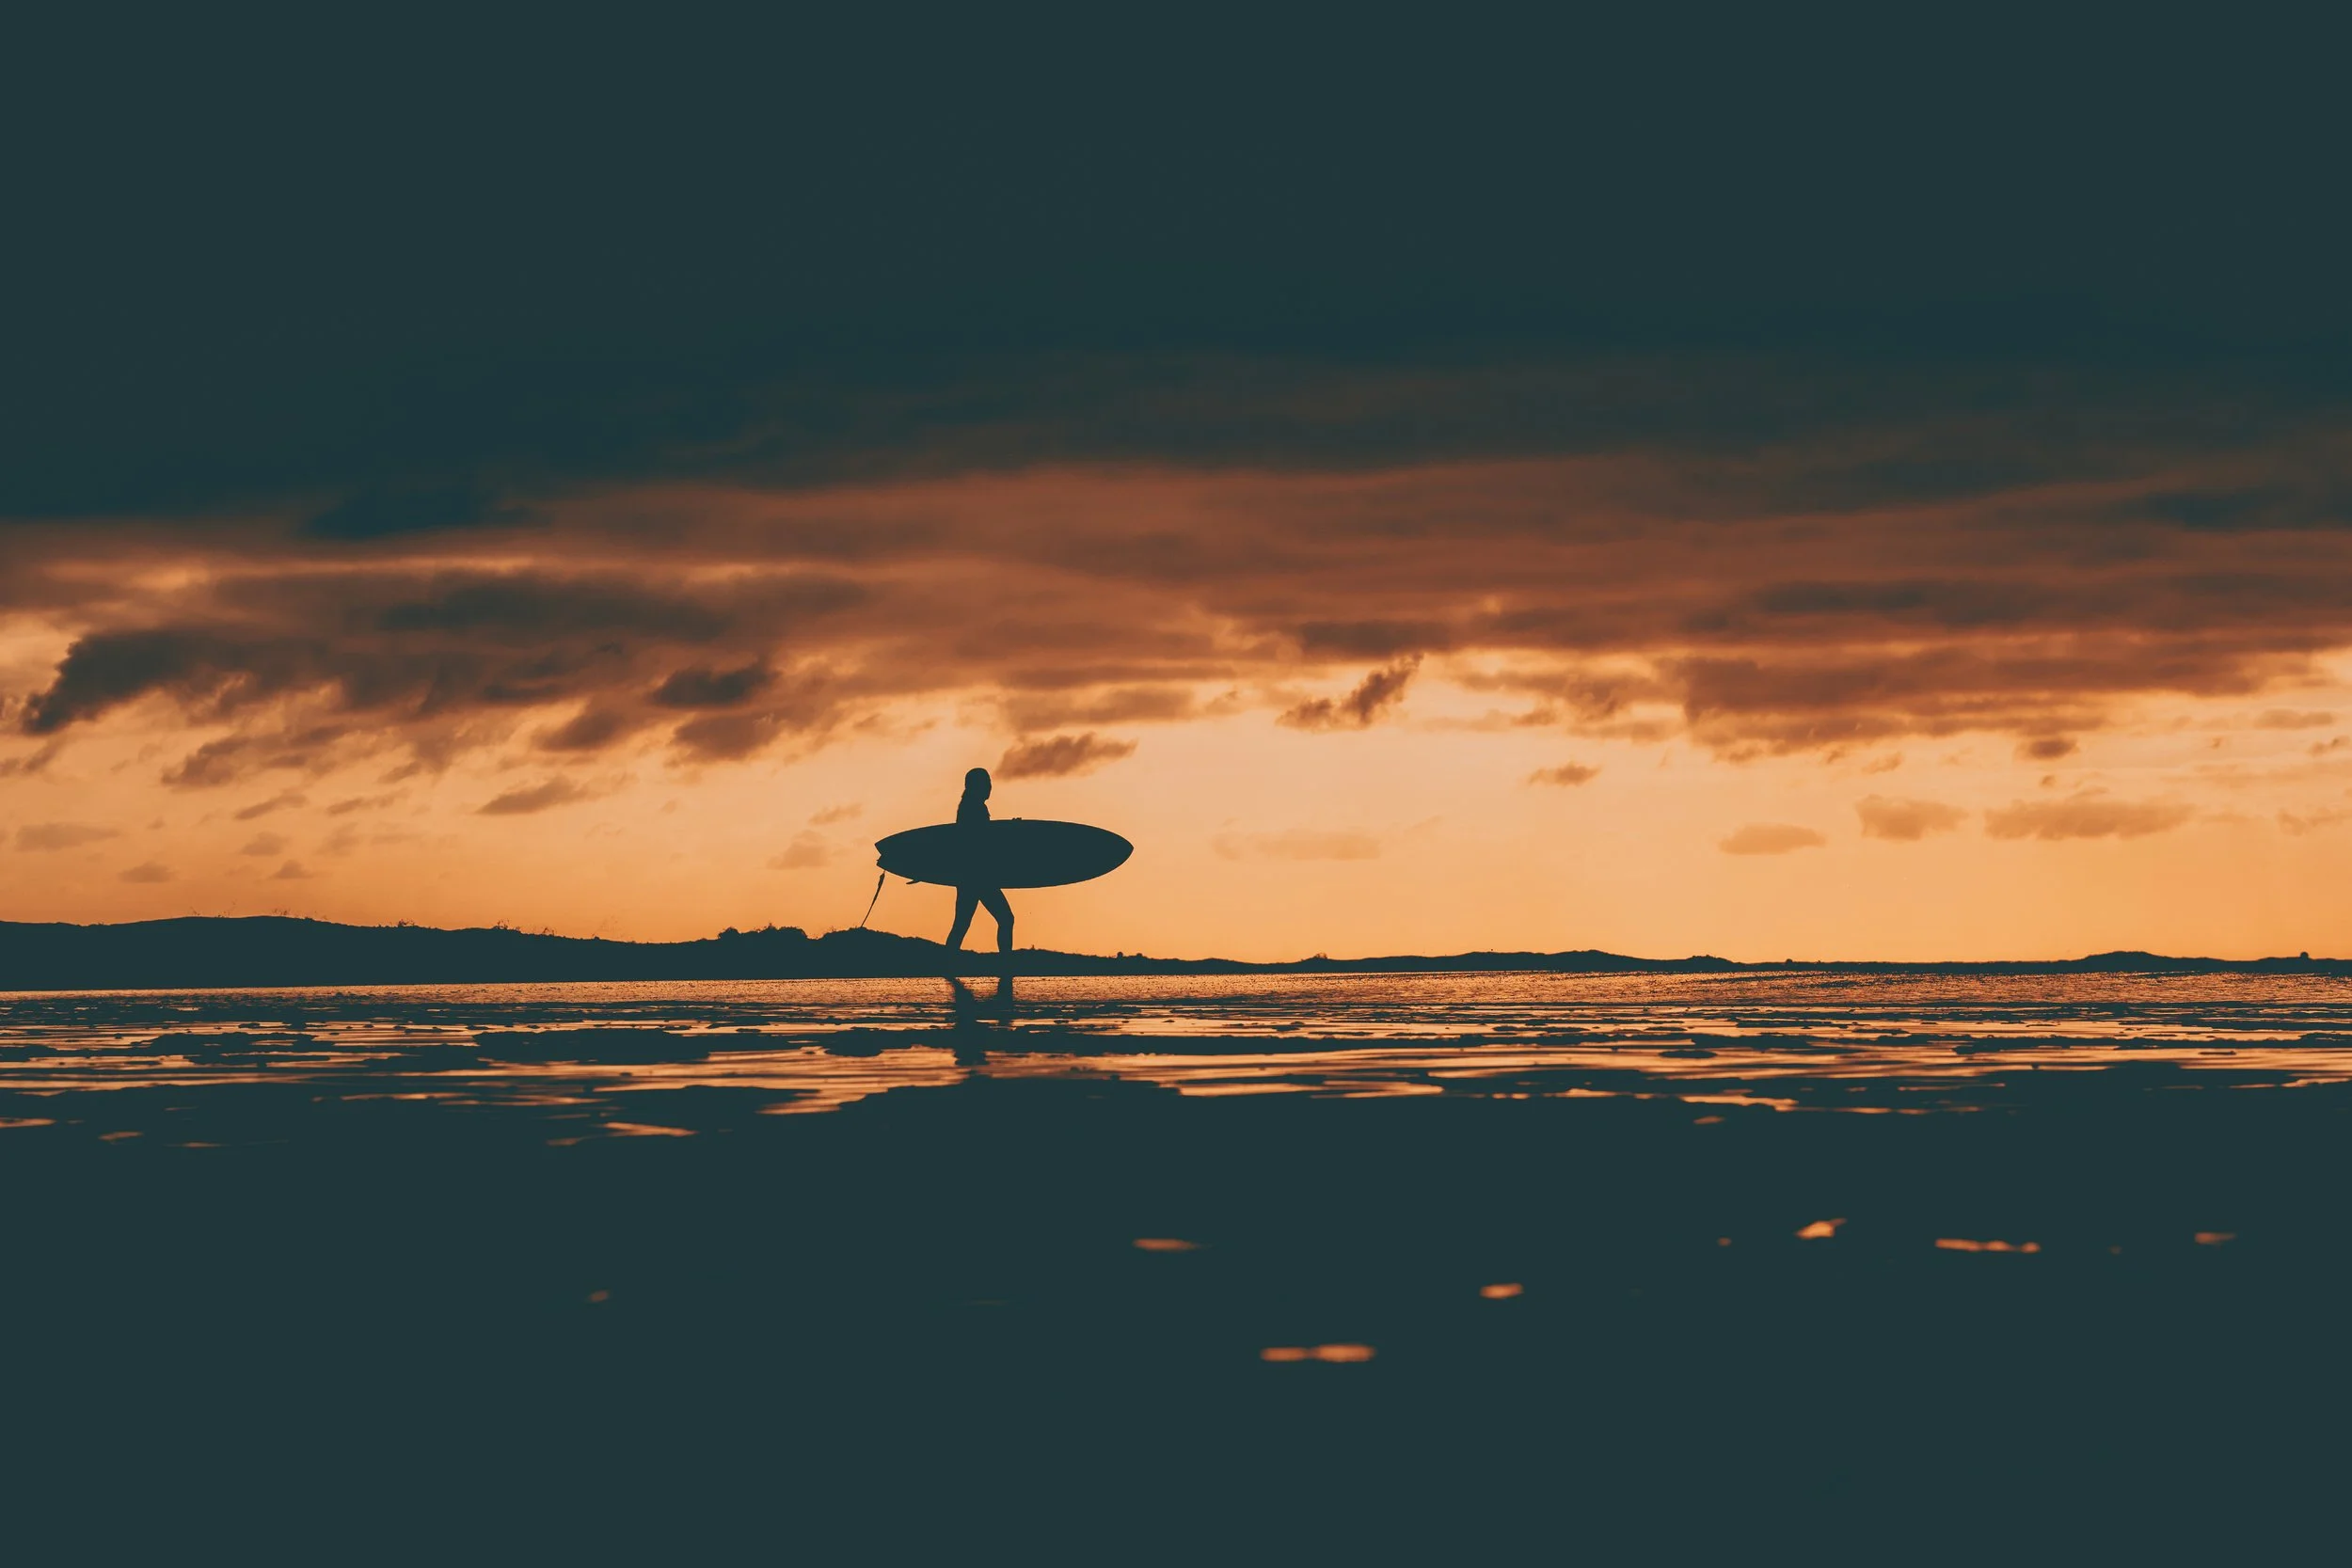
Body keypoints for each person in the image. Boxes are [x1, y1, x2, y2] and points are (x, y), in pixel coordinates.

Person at [943, 767, 1014, 958]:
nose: (990, 787)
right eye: (986, 783)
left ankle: (946, 964)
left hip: (969, 876)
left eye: (990, 783)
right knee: (1006, 919)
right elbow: (981, 841)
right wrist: (1010, 832)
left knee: (961, 924)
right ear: (975, 786)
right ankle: (1006, 966)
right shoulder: (974, 808)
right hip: (978, 877)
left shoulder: (969, 805)